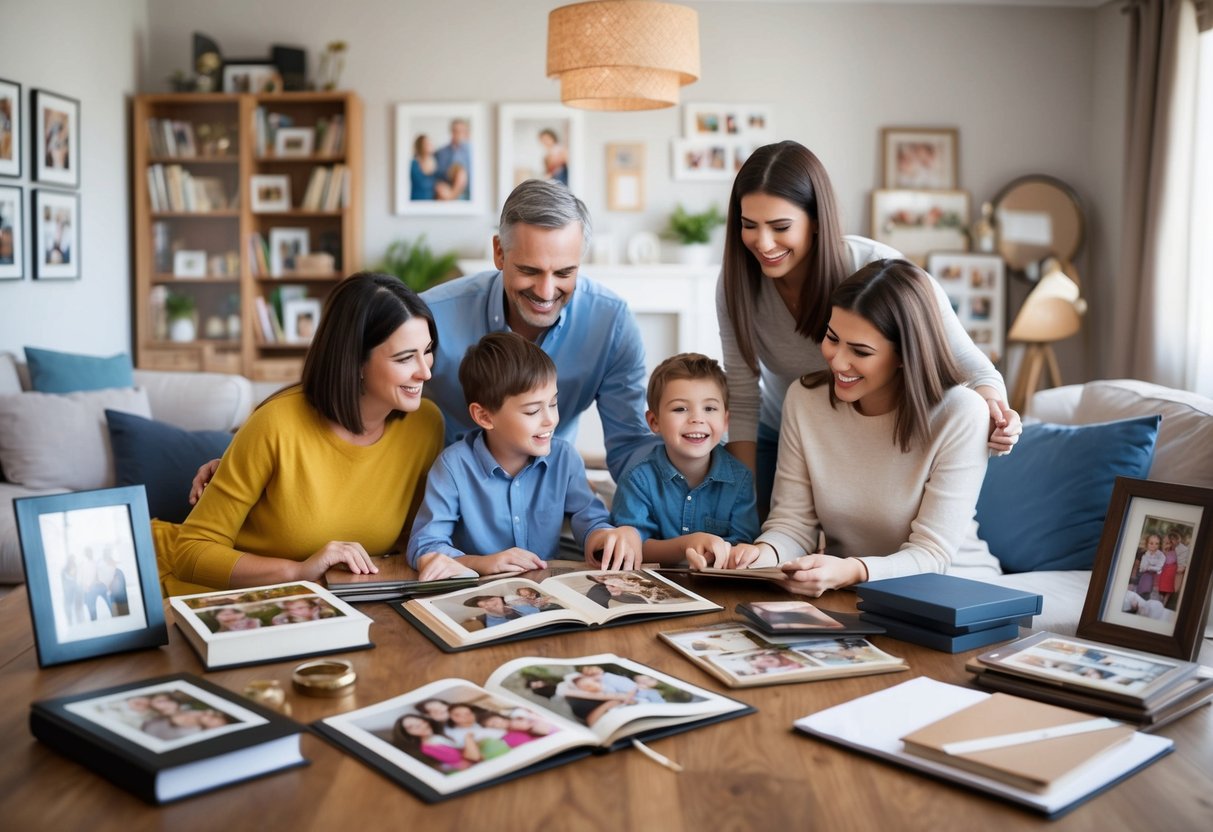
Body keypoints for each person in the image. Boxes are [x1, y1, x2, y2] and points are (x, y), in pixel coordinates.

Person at [716, 141, 1020, 515]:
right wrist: (743, 508)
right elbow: (744, 397)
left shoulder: (876, 267)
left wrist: (997, 412)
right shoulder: (737, 285)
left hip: (878, 441)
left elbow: (971, 367)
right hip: (786, 435)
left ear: (815, 221)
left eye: (780, 227)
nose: (762, 243)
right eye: (749, 225)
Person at [721, 260, 1003, 595]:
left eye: (860, 351)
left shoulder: (960, 413)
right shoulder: (805, 400)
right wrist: (756, 556)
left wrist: (853, 570)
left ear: (904, 355)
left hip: (956, 590)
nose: (838, 361)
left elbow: (933, 554)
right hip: (854, 592)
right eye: (832, 338)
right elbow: (792, 525)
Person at [161, 273, 445, 595]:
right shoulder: (275, 425)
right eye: (405, 357)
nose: (426, 371)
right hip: (234, 601)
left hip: (341, 605)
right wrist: (298, 571)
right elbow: (191, 552)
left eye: (428, 350)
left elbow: (413, 541)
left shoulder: (425, 425)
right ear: (355, 362)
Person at [419, 179, 660, 484]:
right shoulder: (432, 316)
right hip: (446, 495)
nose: (546, 292)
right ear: (499, 253)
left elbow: (629, 445)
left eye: (564, 273)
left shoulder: (611, 324)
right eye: (529, 271)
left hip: (547, 495)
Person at [408, 331, 642, 579]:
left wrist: (606, 537)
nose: (550, 420)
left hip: (547, 593)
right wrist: (483, 563)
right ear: (485, 416)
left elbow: (590, 520)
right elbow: (425, 545)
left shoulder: (563, 458)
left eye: (552, 403)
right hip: (481, 596)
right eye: (532, 411)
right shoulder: (453, 466)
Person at [609, 352, 759, 566]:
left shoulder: (740, 479)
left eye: (710, 408)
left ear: (726, 421)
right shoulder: (637, 479)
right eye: (680, 409)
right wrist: (686, 546)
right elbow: (632, 546)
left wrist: (719, 553)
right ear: (654, 421)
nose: (697, 419)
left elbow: (744, 543)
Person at [434, 118, 471, 201]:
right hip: (445, 188)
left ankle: (451, 197)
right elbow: (436, 174)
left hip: (464, 192)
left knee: (461, 172)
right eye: (455, 131)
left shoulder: (471, 151)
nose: (458, 134)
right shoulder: (441, 152)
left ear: (465, 133)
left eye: (461, 131)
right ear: (451, 132)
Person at [409, 134, 438, 200]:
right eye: (426, 143)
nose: (430, 145)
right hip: (416, 201)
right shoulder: (414, 164)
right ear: (420, 146)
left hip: (432, 203)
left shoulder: (437, 162)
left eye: (430, 142)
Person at [1136, 534, 1165, 599]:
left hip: (1156, 578)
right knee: (1142, 593)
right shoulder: (1145, 555)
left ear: (1159, 545)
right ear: (1147, 544)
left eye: (1156, 544)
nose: (1154, 545)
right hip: (1146, 577)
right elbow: (1142, 568)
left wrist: (1149, 567)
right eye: (1151, 543)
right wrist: (1151, 566)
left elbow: (1159, 568)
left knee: (1152, 595)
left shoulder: (1161, 555)